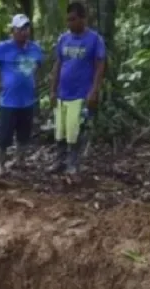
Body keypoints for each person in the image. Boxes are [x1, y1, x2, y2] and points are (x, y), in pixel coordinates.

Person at [0, 14, 44, 179]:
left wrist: (34, 80)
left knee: (24, 135)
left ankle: (20, 161)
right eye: (21, 29)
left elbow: (39, 64)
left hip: (27, 101)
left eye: (27, 28)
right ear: (13, 30)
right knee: (3, 137)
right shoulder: (3, 47)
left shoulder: (35, 48)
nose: (24, 32)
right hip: (8, 101)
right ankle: (0, 166)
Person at [49, 2, 106, 174]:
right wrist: (52, 90)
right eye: (68, 20)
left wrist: (94, 91)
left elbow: (100, 66)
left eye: (73, 19)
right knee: (60, 130)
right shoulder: (63, 39)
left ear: (83, 19)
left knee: (75, 130)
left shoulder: (95, 39)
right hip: (62, 93)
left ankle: (72, 163)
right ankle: (59, 161)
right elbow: (58, 64)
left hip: (80, 94)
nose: (70, 23)